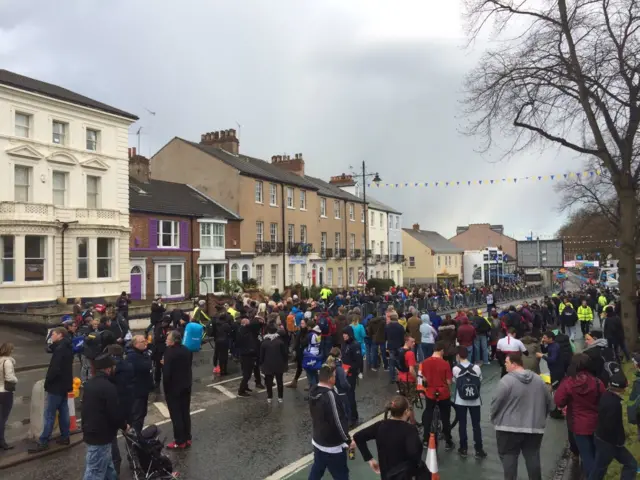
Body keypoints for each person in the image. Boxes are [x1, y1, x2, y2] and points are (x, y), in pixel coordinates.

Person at [490, 352, 554, 480]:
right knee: (533, 457)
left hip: (507, 429)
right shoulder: (538, 380)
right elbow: (551, 405)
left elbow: (496, 403)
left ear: (514, 364)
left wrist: (494, 418)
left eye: (506, 363)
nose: (505, 365)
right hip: (534, 427)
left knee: (509, 459)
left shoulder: (506, 381)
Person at [554, 353, 603, 477]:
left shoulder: (568, 382)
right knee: (596, 454)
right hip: (596, 422)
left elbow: (559, 400)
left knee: (586, 456)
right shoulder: (597, 382)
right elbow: (604, 399)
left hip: (578, 424)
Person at [81, 353, 127, 480]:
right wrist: (124, 426)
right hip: (101, 435)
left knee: (107, 467)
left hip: (91, 431)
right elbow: (114, 412)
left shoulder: (89, 384)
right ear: (108, 369)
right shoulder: (108, 387)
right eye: (113, 367)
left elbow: (85, 409)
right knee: (94, 472)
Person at [353, 395, 424, 478]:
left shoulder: (380, 425)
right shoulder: (410, 430)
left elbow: (358, 437)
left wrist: (370, 459)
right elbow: (415, 453)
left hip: (386, 474)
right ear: (406, 411)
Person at [29, 327, 73, 453]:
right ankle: (65, 437)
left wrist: (47, 382)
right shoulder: (67, 346)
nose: (51, 336)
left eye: (53, 334)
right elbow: (50, 348)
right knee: (64, 412)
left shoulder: (60, 350)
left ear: (60, 335)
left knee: (49, 414)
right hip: (65, 385)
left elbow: (55, 369)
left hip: (56, 386)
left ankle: (43, 441)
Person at [590, 371, 638, 480]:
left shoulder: (606, 395)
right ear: (622, 388)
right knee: (599, 469)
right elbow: (611, 426)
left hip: (604, 439)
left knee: (631, 465)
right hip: (609, 443)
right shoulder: (615, 404)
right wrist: (620, 440)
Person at [308, 366, 352, 480]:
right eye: (335, 376)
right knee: (341, 474)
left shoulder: (313, 391)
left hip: (318, 440)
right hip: (333, 446)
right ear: (330, 379)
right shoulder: (330, 395)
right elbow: (337, 421)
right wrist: (348, 440)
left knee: (317, 469)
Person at [452, 346, 487, 458]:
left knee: (462, 425)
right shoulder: (476, 367)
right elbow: (480, 380)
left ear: (458, 355)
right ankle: (479, 450)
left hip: (460, 400)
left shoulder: (455, 368)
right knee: (476, 425)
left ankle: (463, 448)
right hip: (475, 400)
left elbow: (455, 381)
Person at [420, 341, 455, 450]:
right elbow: (449, 381)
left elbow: (424, 379)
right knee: (445, 416)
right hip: (443, 393)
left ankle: (426, 439)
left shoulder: (424, 362)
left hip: (430, 392)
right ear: (441, 351)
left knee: (428, 414)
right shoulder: (445, 364)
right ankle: (448, 440)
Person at [105, 344, 132, 476]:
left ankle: (115, 465)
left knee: (112, 436)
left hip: (115, 405)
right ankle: (133, 458)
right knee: (129, 433)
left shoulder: (112, 371)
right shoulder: (128, 365)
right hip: (127, 403)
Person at [163, 330, 193, 449]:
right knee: (185, 412)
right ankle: (187, 437)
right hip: (186, 385)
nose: (166, 340)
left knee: (176, 415)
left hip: (174, 388)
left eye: (168, 338)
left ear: (173, 340)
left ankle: (179, 440)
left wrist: (166, 388)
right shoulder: (186, 350)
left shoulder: (169, 352)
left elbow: (167, 373)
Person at [125, 335, 154, 434]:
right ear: (136, 344)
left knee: (142, 414)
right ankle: (135, 438)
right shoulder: (132, 356)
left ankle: (137, 435)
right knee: (137, 416)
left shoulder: (142, 353)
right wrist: (148, 357)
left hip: (143, 389)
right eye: (142, 342)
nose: (145, 343)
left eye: (145, 340)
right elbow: (145, 366)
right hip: (137, 391)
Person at [260, 323, 288, 404]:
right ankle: (280, 397)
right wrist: (284, 362)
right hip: (279, 365)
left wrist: (261, 363)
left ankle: (269, 397)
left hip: (268, 365)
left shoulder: (264, 343)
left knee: (269, 382)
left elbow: (261, 356)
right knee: (279, 381)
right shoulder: (280, 342)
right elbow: (284, 354)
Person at [341, 326, 363, 427]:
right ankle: (347, 415)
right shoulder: (344, 344)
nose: (344, 335)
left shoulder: (355, 345)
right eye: (343, 334)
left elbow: (358, 361)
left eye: (345, 334)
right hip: (344, 373)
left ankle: (353, 417)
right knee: (344, 396)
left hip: (351, 374)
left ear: (350, 334)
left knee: (350, 396)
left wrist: (350, 369)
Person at [0, 342, 17, 450]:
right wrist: (16, 380)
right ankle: (2, 442)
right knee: (3, 418)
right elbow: (10, 378)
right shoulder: (7, 362)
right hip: (5, 392)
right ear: (9, 350)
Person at [288, 319, 309, 389]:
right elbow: (297, 341)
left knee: (307, 368)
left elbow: (304, 342)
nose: (301, 325)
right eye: (301, 323)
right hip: (299, 352)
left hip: (305, 352)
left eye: (303, 323)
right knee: (299, 367)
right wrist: (294, 348)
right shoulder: (300, 331)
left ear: (306, 324)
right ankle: (294, 382)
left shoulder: (307, 332)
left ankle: (310, 383)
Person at [385, 313, 405, 384]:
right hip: (399, 346)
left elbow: (385, 337)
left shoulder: (387, 327)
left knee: (391, 363)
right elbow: (403, 337)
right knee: (400, 362)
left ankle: (392, 378)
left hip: (391, 346)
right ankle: (401, 377)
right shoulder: (400, 327)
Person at [152, 315, 171, 388]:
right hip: (158, 351)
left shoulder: (170, 328)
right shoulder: (159, 327)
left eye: (165, 322)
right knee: (158, 367)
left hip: (167, 350)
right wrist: (165, 337)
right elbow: (157, 338)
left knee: (166, 367)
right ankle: (157, 382)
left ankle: (167, 381)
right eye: (163, 322)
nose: (164, 323)